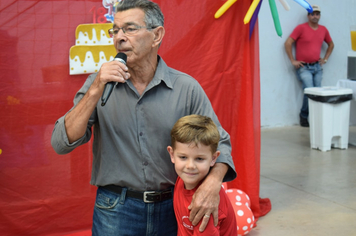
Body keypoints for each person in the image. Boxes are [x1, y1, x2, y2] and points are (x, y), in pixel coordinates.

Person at [51, 0, 236, 235]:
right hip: (116, 209)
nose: (119, 37)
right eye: (115, 30)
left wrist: (212, 184)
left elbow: (221, 142)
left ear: (156, 35)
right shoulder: (97, 85)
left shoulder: (185, 88)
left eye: (129, 29)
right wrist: (96, 88)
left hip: (175, 206)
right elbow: (60, 143)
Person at [167, 114, 237, 235]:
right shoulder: (182, 180)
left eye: (199, 159)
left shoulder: (205, 207)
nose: (190, 166)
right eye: (183, 157)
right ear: (172, 154)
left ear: (214, 158)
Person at [284, 4, 334, 127]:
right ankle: (304, 115)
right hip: (303, 67)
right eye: (312, 14)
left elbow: (331, 44)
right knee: (310, 91)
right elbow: (288, 43)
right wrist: (292, 60)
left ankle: (316, 117)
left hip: (317, 67)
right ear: (308, 15)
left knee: (317, 92)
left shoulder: (323, 30)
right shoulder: (301, 28)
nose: (315, 16)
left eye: (317, 14)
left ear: (320, 16)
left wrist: (325, 59)